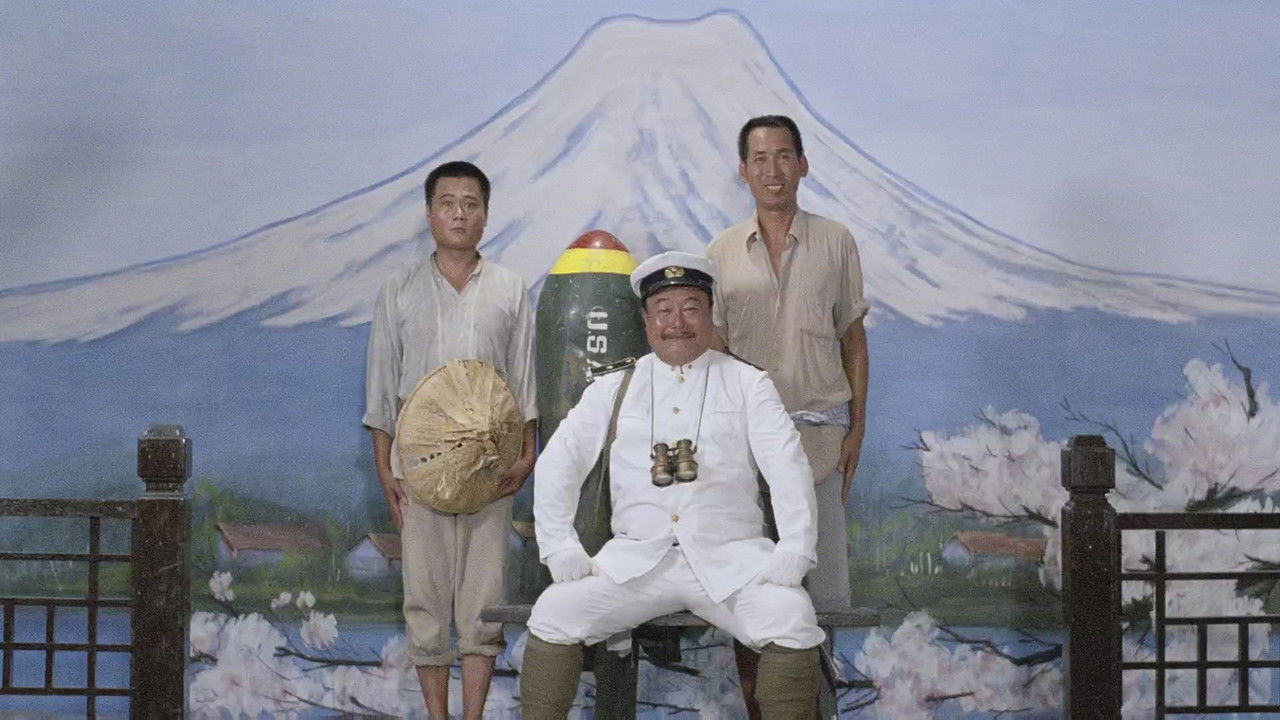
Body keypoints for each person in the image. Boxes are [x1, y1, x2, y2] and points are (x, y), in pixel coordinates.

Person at [519, 251, 824, 719]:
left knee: (792, 616)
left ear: (710, 314)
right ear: (646, 321)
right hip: (637, 563)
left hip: (732, 560)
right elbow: (560, 460)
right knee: (554, 613)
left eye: (690, 308)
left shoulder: (748, 383)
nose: (677, 323)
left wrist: (796, 548)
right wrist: (558, 544)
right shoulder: (616, 387)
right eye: (663, 310)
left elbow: (787, 464)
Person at [362, 160, 537, 719]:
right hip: (418, 470)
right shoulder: (398, 290)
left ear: (486, 215)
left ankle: (474, 716)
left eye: (471, 204)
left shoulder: (510, 289)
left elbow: (524, 383)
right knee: (426, 600)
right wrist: (385, 470)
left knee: (486, 601)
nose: (459, 214)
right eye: (448, 203)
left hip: (491, 469)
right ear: (429, 213)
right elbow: (382, 389)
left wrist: (527, 454)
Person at [707, 115, 870, 714]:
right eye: (759, 158)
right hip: (744, 450)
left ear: (802, 164)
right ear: (743, 170)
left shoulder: (836, 241)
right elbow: (713, 352)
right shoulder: (720, 252)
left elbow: (853, 340)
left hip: (821, 442)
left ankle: (820, 712)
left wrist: (857, 427)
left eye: (783, 156)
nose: (772, 170)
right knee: (751, 597)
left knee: (822, 599)